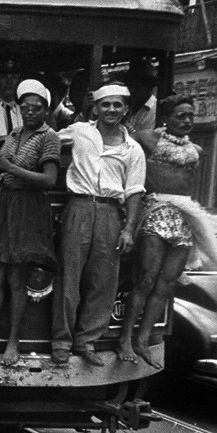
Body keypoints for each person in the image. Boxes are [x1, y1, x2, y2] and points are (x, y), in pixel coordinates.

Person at [120, 96, 217, 367]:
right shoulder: (147, 139)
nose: (187, 120)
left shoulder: (196, 149)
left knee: (167, 284)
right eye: (181, 115)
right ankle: (125, 338)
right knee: (145, 279)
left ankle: (142, 339)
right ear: (166, 118)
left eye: (190, 115)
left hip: (185, 217)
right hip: (157, 210)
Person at [0, 80, 61, 365]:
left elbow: (49, 180)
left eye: (36, 107)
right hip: (7, 203)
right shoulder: (14, 134)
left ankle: (12, 343)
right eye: (25, 106)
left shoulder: (48, 136)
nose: (30, 111)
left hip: (29, 207)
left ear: (45, 110)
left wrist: (9, 167)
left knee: (17, 278)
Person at [52, 83, 146, 366]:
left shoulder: (134, 149)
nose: (111, 110)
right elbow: (48, 140)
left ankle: (86, 341)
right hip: (79, 206)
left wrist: (128, 229)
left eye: (117, 105)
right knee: (69, 277)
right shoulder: (80, 131)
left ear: (126, 110)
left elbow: (134, 191)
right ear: (95, 108)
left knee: (103, 282)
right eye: (106, 105)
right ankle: (61, 343)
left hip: (109, 213)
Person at [122, 58, 158, 134]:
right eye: (130, 86)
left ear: (147, 87)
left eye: (136, 86)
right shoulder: (129, 106)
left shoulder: (155, 109)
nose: (131, 90)